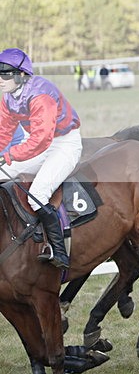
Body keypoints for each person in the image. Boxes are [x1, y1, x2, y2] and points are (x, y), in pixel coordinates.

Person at [0, 48, 82, 268]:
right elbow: (3, 133)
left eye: (5, 75)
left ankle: (59, 251)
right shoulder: (8, 97)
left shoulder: (41, 95)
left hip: (64, 145)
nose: (0, 80)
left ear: (21, 75)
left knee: (37, 194)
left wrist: (9, 154)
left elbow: (41, 140)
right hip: (38, 144)